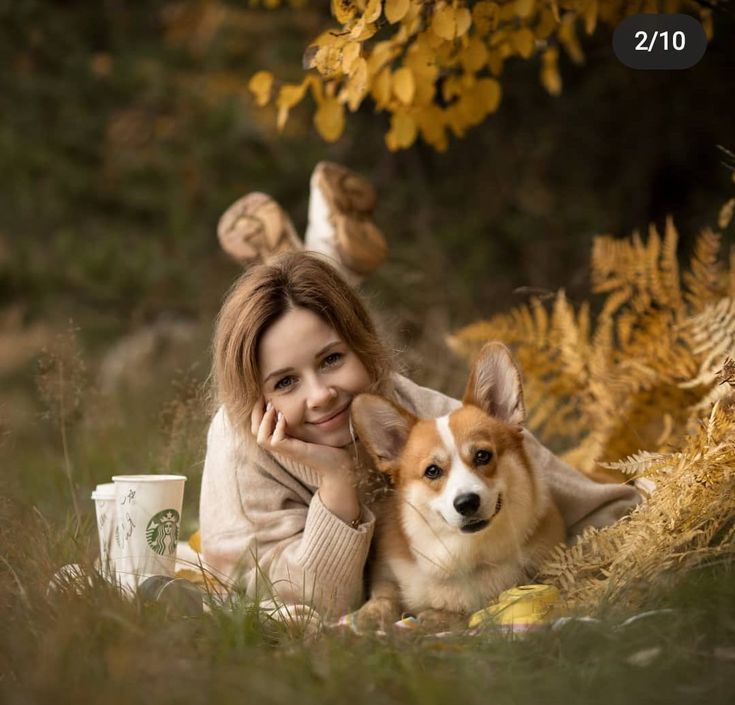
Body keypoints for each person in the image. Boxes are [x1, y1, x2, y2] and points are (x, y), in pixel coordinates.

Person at [199, 250, 642, 620]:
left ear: (363, 346)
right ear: (254, 396)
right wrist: (336, 485)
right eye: (285, 382)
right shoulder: (243, 457)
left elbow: (600, 510)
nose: (320, 395)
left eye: (332, 359)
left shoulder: (422, 417)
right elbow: (318, 605)